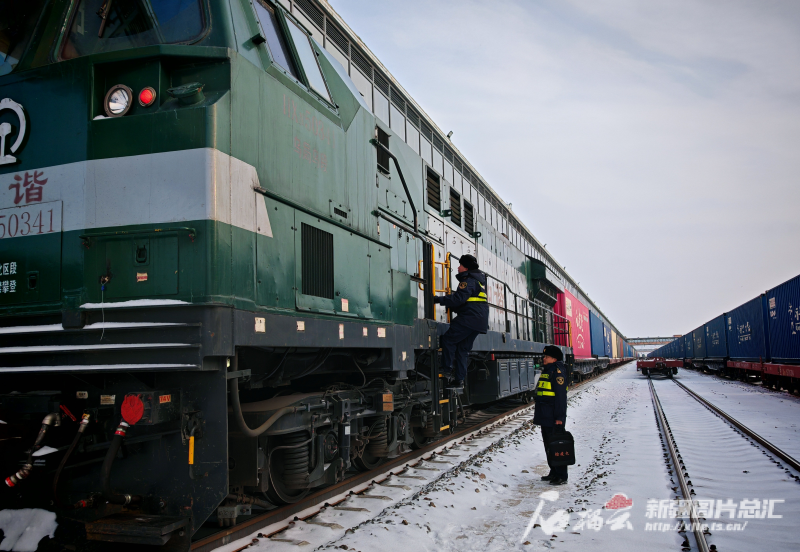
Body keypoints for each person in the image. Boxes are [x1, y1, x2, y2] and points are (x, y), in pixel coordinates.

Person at [433, 254, 489, 387]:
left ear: (466, 267)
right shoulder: (478, 281)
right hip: (479, 321)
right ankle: (459, 381)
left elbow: (459, 299)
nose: (458, 268)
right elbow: (469, 301)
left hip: (469, 318)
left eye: (460, 265)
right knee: (463, 349)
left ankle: (446, 369)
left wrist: (438, 300)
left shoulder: (468, 281)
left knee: (448, 340)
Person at [533, 345, 569, 485]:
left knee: (557, 446)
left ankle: (561, 475)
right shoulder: (548, 371)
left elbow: (561, 398)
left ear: (554, 359)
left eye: (546, 357)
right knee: (549, 445)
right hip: (546, 415)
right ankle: (553, 472)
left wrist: (560, 418)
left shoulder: (557, 372)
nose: (544, 358)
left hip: (554, 417)